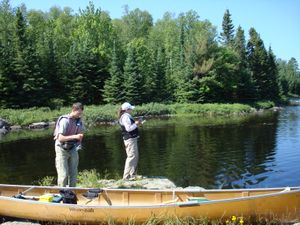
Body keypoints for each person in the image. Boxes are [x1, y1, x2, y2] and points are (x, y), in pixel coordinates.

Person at [53, 102, 84, 187]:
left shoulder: (79, 120)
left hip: (72, 147)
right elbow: (60, 138)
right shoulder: (65, 120)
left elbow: (80, 133)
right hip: (61, 148)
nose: (79, 115)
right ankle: (62, 194)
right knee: (63, 174)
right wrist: (75, 136)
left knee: (74, 173)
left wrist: (79, 138)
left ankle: (72, 193)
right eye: (78, 113)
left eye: (81, 113)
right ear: (73, 110)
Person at [118, 102, 142, 180]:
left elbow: (131, 126)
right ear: (127, 109)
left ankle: (132, 175)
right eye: (131, 109)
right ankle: (126, 176)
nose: (132, 110)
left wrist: (137, 123)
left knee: (135, 156)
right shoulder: (125, 117)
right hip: (130, 140)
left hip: (132, 139)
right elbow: (128, 128)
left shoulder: (127, 116)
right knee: (131, 157)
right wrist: (136, 124)